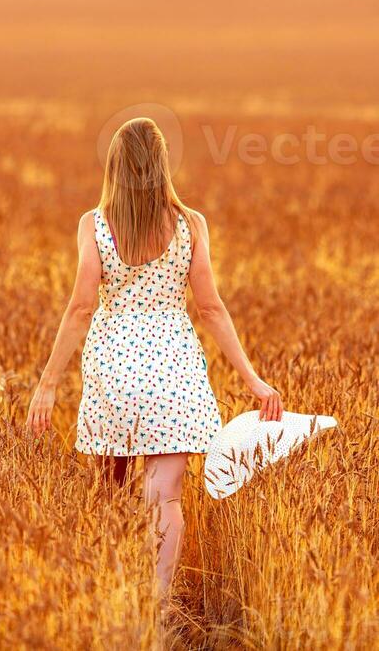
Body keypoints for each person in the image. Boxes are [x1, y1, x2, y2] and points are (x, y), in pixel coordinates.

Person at [26, 117, 283, 600]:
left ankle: (114, 596)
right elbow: (210, 308)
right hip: (174, 369)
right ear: (163, 166)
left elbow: (81, 307)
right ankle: (158, 604)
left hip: (114, 370)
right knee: (165, 498)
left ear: (116, 168)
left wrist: (48, 383)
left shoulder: (94, 225)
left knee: (110, 494)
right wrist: (253, 380)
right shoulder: (192, 225)